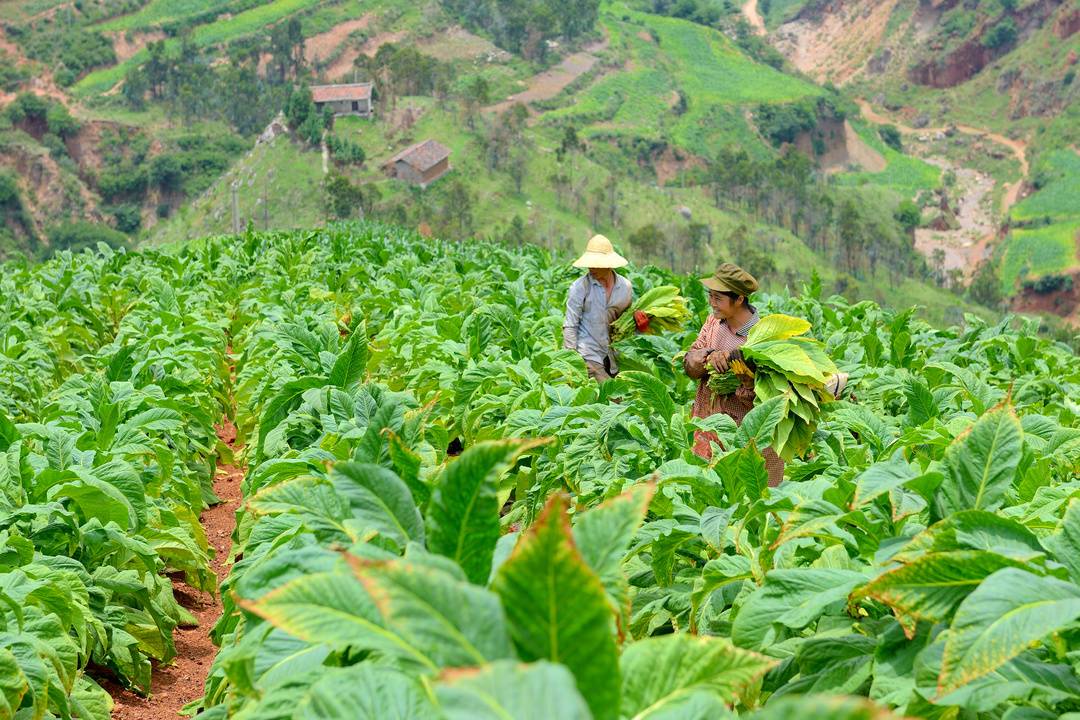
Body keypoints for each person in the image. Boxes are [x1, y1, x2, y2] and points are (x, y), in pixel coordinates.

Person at [683, 263, 784, 486]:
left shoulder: (762, 338)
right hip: (708, 429)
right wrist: (709, 356)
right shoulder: (713, 323)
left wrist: (742, 376)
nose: (711, 303)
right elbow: (690, 361)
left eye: (718, 298)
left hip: (747, 440)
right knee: (706, 495)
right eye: (710, 296)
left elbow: (772, 400)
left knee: (749, 499)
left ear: (739, 299)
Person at [563, 234, 637, 383]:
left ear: (608, 264)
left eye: (596, 264)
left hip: (613, 357)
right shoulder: (579, 288)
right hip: (588, 355)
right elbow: (570, 326)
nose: (591, 267)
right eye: (590, 263)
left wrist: (639, 323)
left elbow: (624, 326)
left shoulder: (625, 288)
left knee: (620, 396)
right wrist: (570, 361)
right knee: (612, 396)